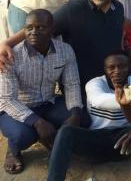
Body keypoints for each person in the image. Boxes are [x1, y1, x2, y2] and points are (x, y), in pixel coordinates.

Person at [0, 0, 124, 98]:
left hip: (112, 78)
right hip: (80, 85)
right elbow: (40, 27)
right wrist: (6, 43)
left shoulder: (118, 8)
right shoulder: (74, 10)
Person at [47, 52, 131, 181]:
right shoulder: (94, 84)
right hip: (95, 140)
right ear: (104, 69)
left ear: (130, 67)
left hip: (125, 141)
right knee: (66, 131)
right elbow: (99, 100)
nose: (117, 71)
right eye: (111, 67)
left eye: (122, 66)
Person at [0, 9, 85, 174]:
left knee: (81, 118)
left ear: (52, 29)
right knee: (23, 136)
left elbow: (71, 84)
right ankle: (13, 150)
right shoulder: (10, 55)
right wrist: (37, 121)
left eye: (40, 27)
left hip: (49, 102)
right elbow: (6, 99)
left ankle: (48, 134)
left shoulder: (65, 50)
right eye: (29, 27)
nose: (33, 32)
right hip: (17, 108)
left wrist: (75, 112)